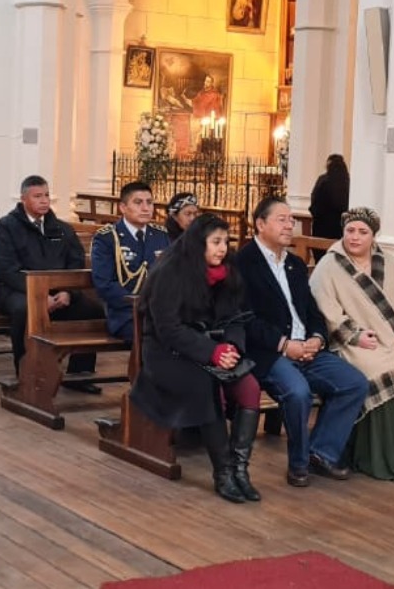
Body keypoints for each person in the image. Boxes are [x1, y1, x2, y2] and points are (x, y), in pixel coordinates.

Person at [234, 197, 368, 488]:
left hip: (306, 348)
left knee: (354, 383)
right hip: (271, 353)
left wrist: (317, 338)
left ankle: (320, 452)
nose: (289, 224)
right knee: (298, 393)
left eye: (290, 219)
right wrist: (284, 345)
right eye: (281, 219)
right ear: (260, 224)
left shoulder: (295, 264)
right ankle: (299, 464)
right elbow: (244, 319)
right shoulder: (242, 264)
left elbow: (311, 311)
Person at [130, 214, 263, 503]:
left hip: (215, 348)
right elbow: (168, 329)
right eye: (215, 242)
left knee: (250, 387)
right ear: (197, 243)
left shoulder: (228, 273)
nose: (222, 249)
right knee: (205, 385)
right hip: (169, 353)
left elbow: (236, 319)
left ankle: (241, 470)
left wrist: (230, 347)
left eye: (225, 242)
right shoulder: (171, 272)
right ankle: (223, 473)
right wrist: (211, 352)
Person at [309, 207, 394, 480]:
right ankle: (377, 457)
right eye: (350, 231)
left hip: (393, 339)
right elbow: (325, 309)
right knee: (376, 372)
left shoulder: (389, 262)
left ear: (373, 236)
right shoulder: (329, 266)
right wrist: (354, 335)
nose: (355, 237)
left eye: (362, 232)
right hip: (354, 344)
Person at [0, 175, 105, 393]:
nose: (44, 201)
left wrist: (67, 290)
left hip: (58, 290)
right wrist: (39, 296)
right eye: (37, 196)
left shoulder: (62, 228)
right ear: (24, 199)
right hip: (17, 290)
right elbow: (7, 269)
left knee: (92, 310)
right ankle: (27, 374)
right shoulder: (6, 227)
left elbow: (75, 261)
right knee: (25, 310)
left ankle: (79, 375)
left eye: (46, 195)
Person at [90, 181, 169, 342]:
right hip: (126, 314)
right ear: (123, 207)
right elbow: (104, 284)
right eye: (138, 202)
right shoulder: (107, 238)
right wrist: (140, 303)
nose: (146, 208)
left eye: (149, 202)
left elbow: (174, 276)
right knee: (156, 336)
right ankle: (147, 368)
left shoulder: (162, 236)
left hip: (160, 312)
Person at [309, 154, 350, 240]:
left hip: (321, 226)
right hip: (340, 227)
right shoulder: (348, 182)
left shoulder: (323, 180)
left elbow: (315, 201)